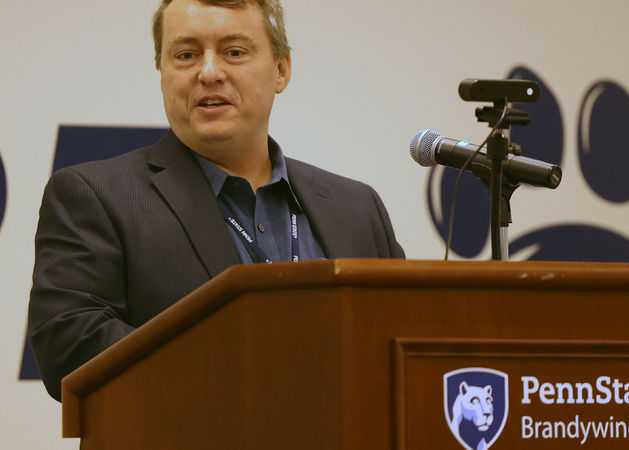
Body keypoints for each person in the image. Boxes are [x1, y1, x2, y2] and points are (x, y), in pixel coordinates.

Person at [28, 0, 404, 402]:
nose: (209, 72)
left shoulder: (357, 207)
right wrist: (248, 371)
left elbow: (408, 341)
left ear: (281, 69)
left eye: (234, 52)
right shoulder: (96, 195)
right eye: (186, 55)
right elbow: (69, 346)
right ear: (163, 73)